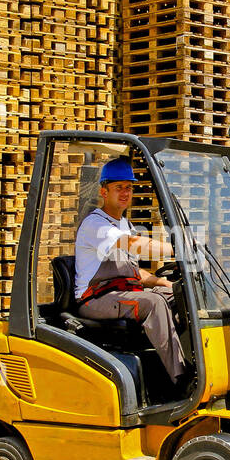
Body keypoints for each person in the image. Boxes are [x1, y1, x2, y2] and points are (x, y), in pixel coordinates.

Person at [73, 157, 192, 387]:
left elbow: (132, 273)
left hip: (119, 294)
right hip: (94, 300)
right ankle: (181, 381)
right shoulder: (95, 224)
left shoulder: (123, 223)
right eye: (118, 187)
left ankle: (185, 365)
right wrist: (178, 249)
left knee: (179, 296)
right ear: (104, 191)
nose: (125, 192)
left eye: (128, 187)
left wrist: (165, 284)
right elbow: (133, 244)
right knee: (153, 303)